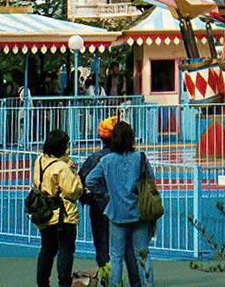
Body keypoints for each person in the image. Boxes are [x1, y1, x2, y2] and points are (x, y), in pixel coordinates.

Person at [85, 121, 155, 287]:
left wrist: (106, 193)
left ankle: (115, 285)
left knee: (115, 256)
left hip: (116, 212)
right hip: (139, 212)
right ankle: (147, 284)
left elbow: (90, 180)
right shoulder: (140, 158)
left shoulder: (107, 160)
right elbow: (151, 181)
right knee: (143, 255)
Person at [79, 117, 138, 285]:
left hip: (100, 205)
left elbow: (83, 180)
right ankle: (135, 281)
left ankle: (107, 280)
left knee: (102, 244)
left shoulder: (96, 158)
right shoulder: (133, 157)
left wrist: (95, 195)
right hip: (125, 205)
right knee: (128, 247)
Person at [32, 129, 84, 287]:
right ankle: (64, 283)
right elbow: (73, 190)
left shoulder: (39, 161)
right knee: (66, 250)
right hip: (63, 215)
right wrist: (76, 176)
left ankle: (42, 283)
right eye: (66, 146)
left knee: (47, 249)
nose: (68, 149)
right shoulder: (62, 167)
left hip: (45, 212)